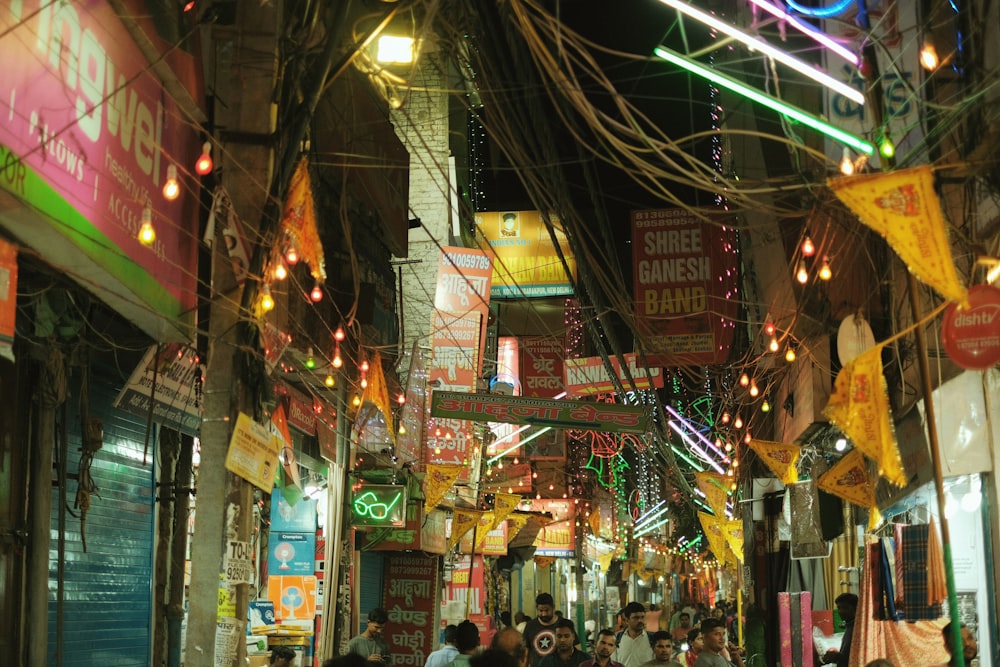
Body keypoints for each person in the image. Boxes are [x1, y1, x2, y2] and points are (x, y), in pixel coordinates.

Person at [821, 593, 858, 667]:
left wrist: (836, 656)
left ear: (856, 608)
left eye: (845, 608)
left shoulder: (857, 628)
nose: (841, 611)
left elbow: (855, 657)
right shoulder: (849, 626)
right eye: (839, 608)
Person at [524, 593, 560, 667]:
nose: (543, 614)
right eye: (540, 611)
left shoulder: (563, 624)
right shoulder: (530, 626)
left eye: (547, 610)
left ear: (553, 607)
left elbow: (576, 649)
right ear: (537, 609)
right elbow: (526, 652)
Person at [615, 602, 654, 667]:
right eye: (636, 618)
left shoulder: (651, 639)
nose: (640, 620)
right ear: (627, 620)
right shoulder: (617, 639)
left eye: (642, 617)